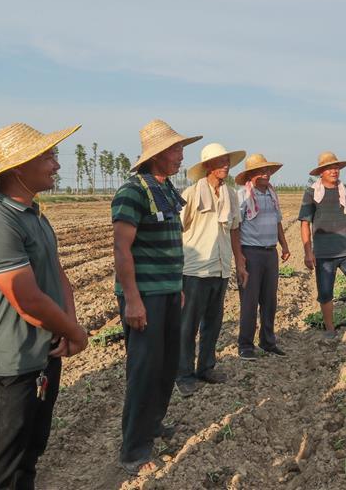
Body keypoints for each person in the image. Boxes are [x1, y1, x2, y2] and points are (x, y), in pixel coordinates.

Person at [0, 122, 88, 489]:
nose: (56, 165)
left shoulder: (34, 216)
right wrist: (74, 331)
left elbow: (57, 274)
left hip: (41, 357)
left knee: (27, 458)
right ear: (19, 167)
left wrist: (68, 325)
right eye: (48, 156)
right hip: (6, 369)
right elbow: (27, 299)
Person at [112, 119, 202, 474]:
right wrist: (132, 298)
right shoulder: (132, 192)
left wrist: (177, 286)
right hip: (144, 296)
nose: (182, 156)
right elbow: (122, 247)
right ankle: (133, 450)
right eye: (177, 150)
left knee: (166, 365)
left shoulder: (165, 190)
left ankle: (153, 425)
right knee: (145, 370)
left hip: (167, 292)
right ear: (157, 155)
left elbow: (172, 246)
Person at [176, 143, 247, 396]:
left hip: (221, 268)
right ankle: (183, 374)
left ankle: (206, 367)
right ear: (207, 166)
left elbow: (235, 229)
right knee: (188, 325)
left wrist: (239, 262)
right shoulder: (191, 194)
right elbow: (178, 229)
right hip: (195, 269)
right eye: (220, 162)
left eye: (227, 161)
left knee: (213, 323)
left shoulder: (231, 194)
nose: (225, 165)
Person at [298, 152, 346, 338]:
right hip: (324, 254)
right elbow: (304, 224)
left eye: (336, 167)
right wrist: (308, 252)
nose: (334, 171)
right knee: (325, 292)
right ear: (321, 172)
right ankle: (330, 330)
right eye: (329, 168)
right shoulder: (312, 193)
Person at [235, 153, 290, 360]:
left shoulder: (272, 195)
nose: (266, 174)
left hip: (270, 253)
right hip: (251, 253)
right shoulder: (243, 196)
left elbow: (278, 222)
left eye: (267, 171)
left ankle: (268, 341)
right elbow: (236, 227)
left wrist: (284, 245)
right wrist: (239, 257)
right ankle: (245, 345)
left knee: (269, 300)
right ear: (251, 175)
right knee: (249, 301)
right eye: (261, 171)